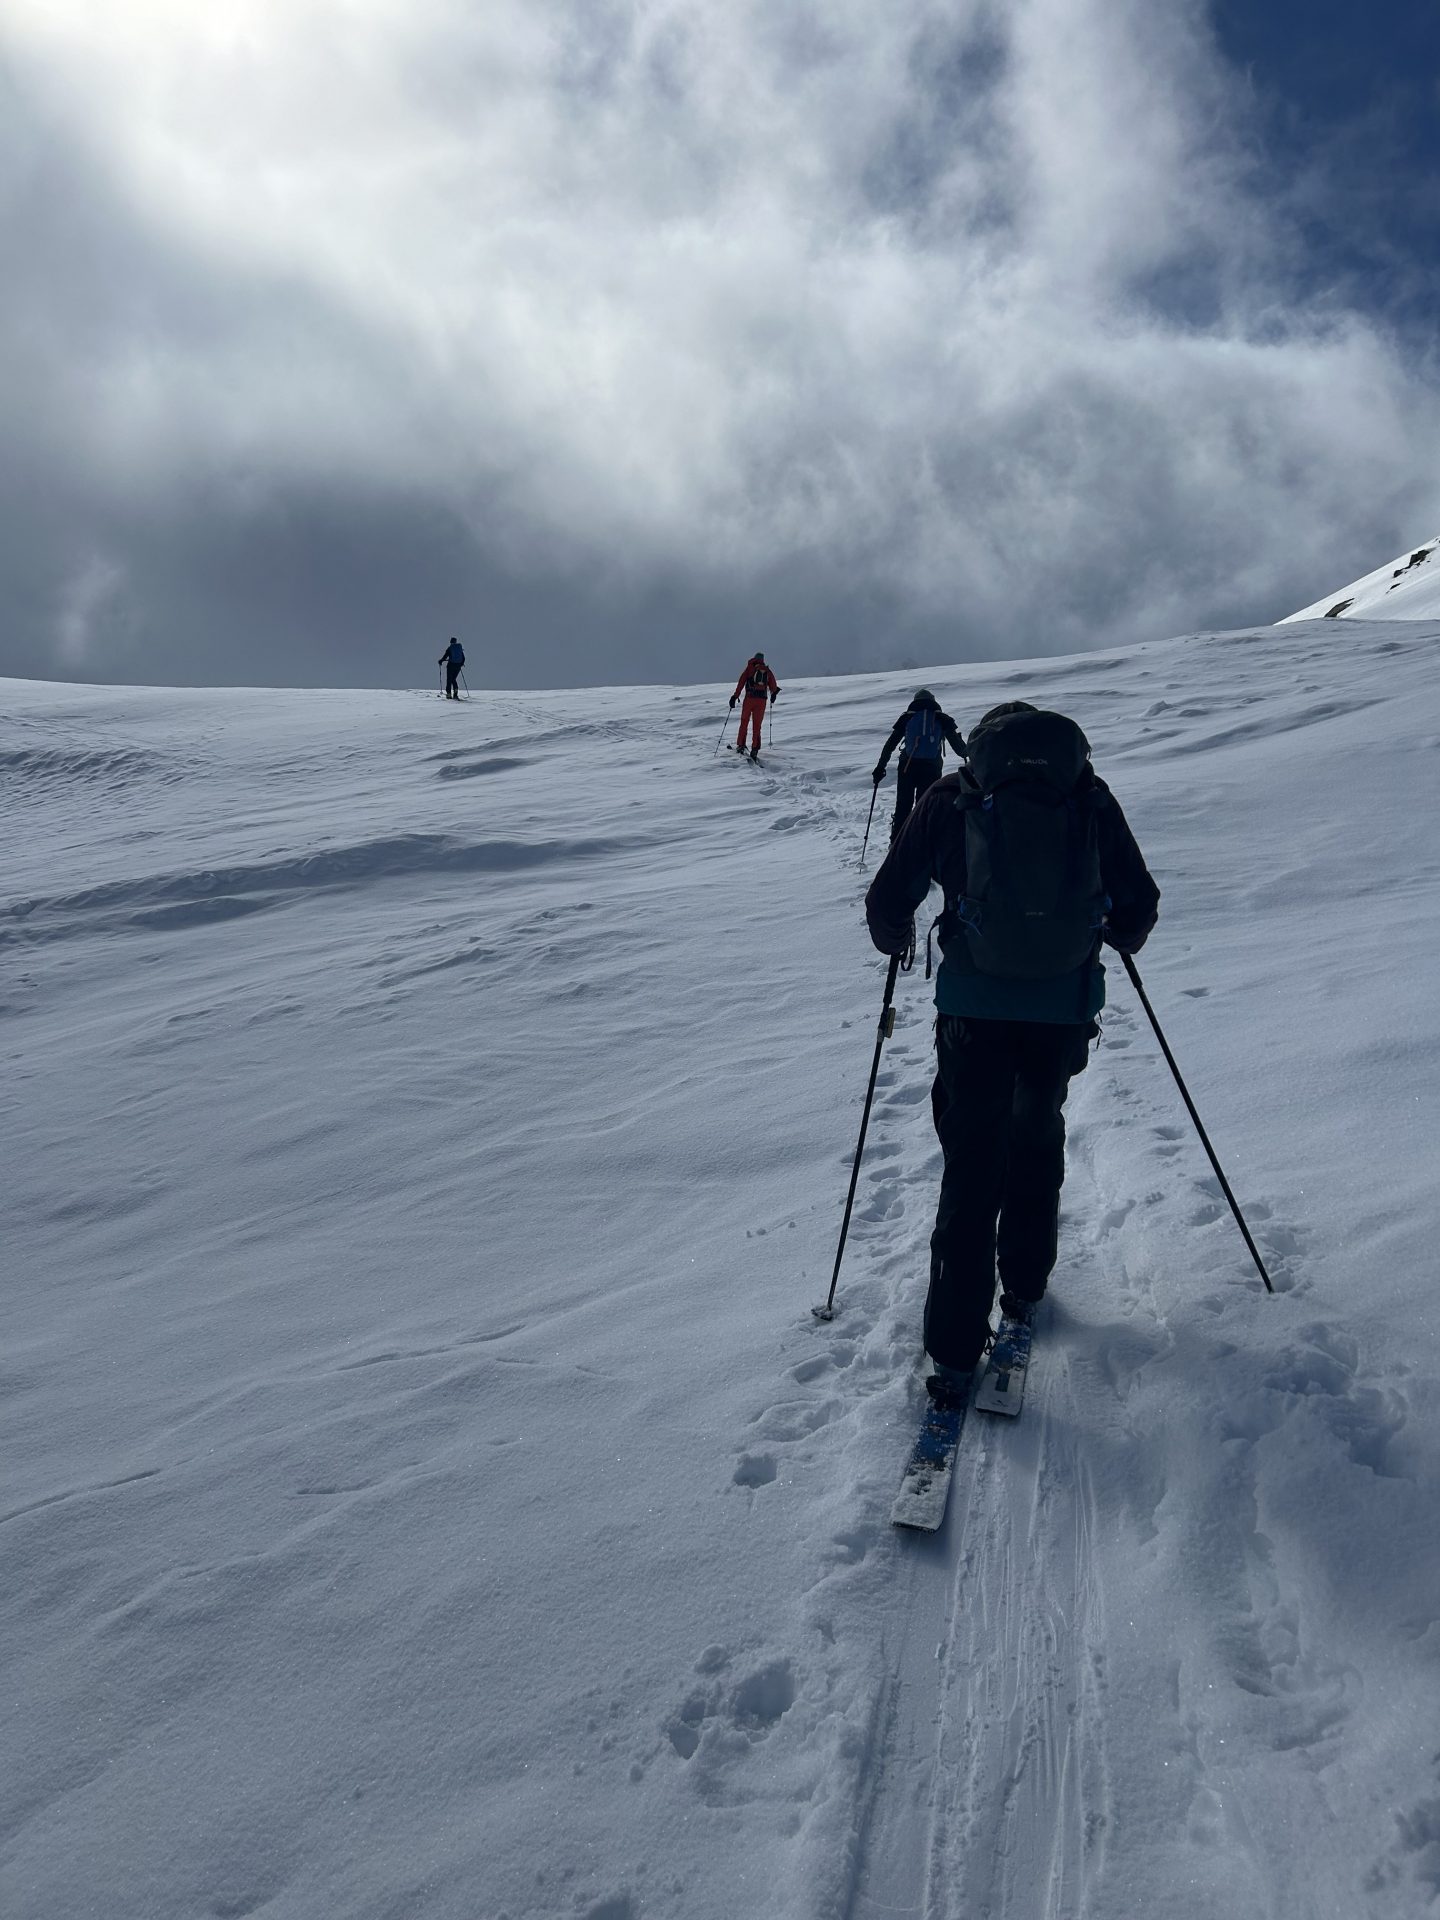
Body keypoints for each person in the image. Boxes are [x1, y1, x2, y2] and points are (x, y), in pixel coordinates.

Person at [864, 701, 1159, 1404]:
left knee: (972, 1162)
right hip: (1059, 1010)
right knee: (1035, 1132)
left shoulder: (952, 795)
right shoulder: (1087, 795)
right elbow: (1138, 904)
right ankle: (1024, 1290)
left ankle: (955, 1349)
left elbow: (886, 903)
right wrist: (1111, 935)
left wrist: (897, 936)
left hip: (973, 1009)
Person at [872, 688, 966, 840]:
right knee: (925, 805)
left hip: (907, 767)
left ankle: (896, 842)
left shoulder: (907, 718)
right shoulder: (942, 719)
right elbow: (960, 749)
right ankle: (923, 842)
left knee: (903, 805)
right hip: (932, 768)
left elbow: (890, 744)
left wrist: (880, 767)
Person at [729, 652, 780, 759]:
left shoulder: (749, 669)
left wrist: (735, 696)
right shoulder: (767, 671)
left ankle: (741, 745)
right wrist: (773, 695)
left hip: (749, 700)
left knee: (744, 722)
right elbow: (774, 687)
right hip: (761, 701)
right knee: (757, 726)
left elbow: (741, 683)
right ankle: (755, 748)